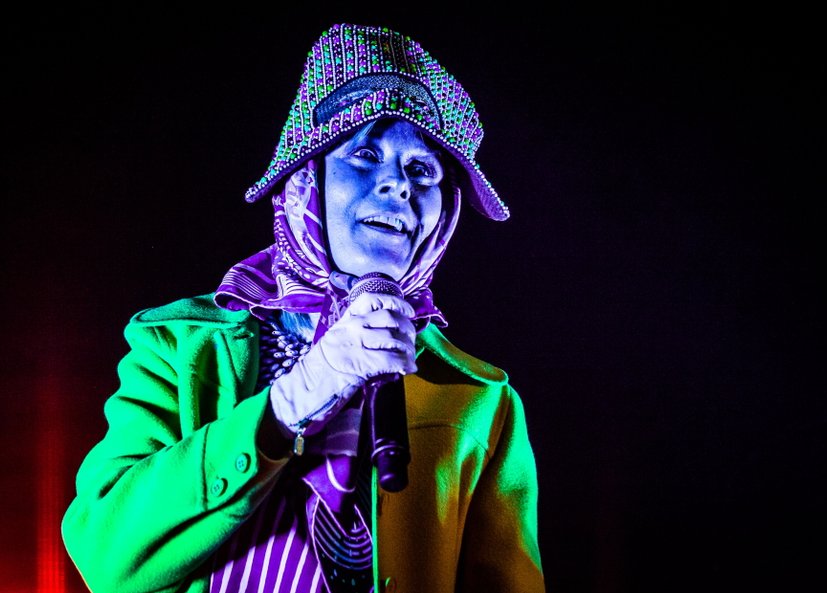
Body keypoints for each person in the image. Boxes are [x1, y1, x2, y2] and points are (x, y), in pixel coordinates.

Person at [61, 22, 545, 593]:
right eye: (364, 153)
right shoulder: (179, 347)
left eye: (423, 170)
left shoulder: (480, 403)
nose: (398, 184)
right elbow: (105, 554)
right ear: (305, 177)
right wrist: (298, 395)